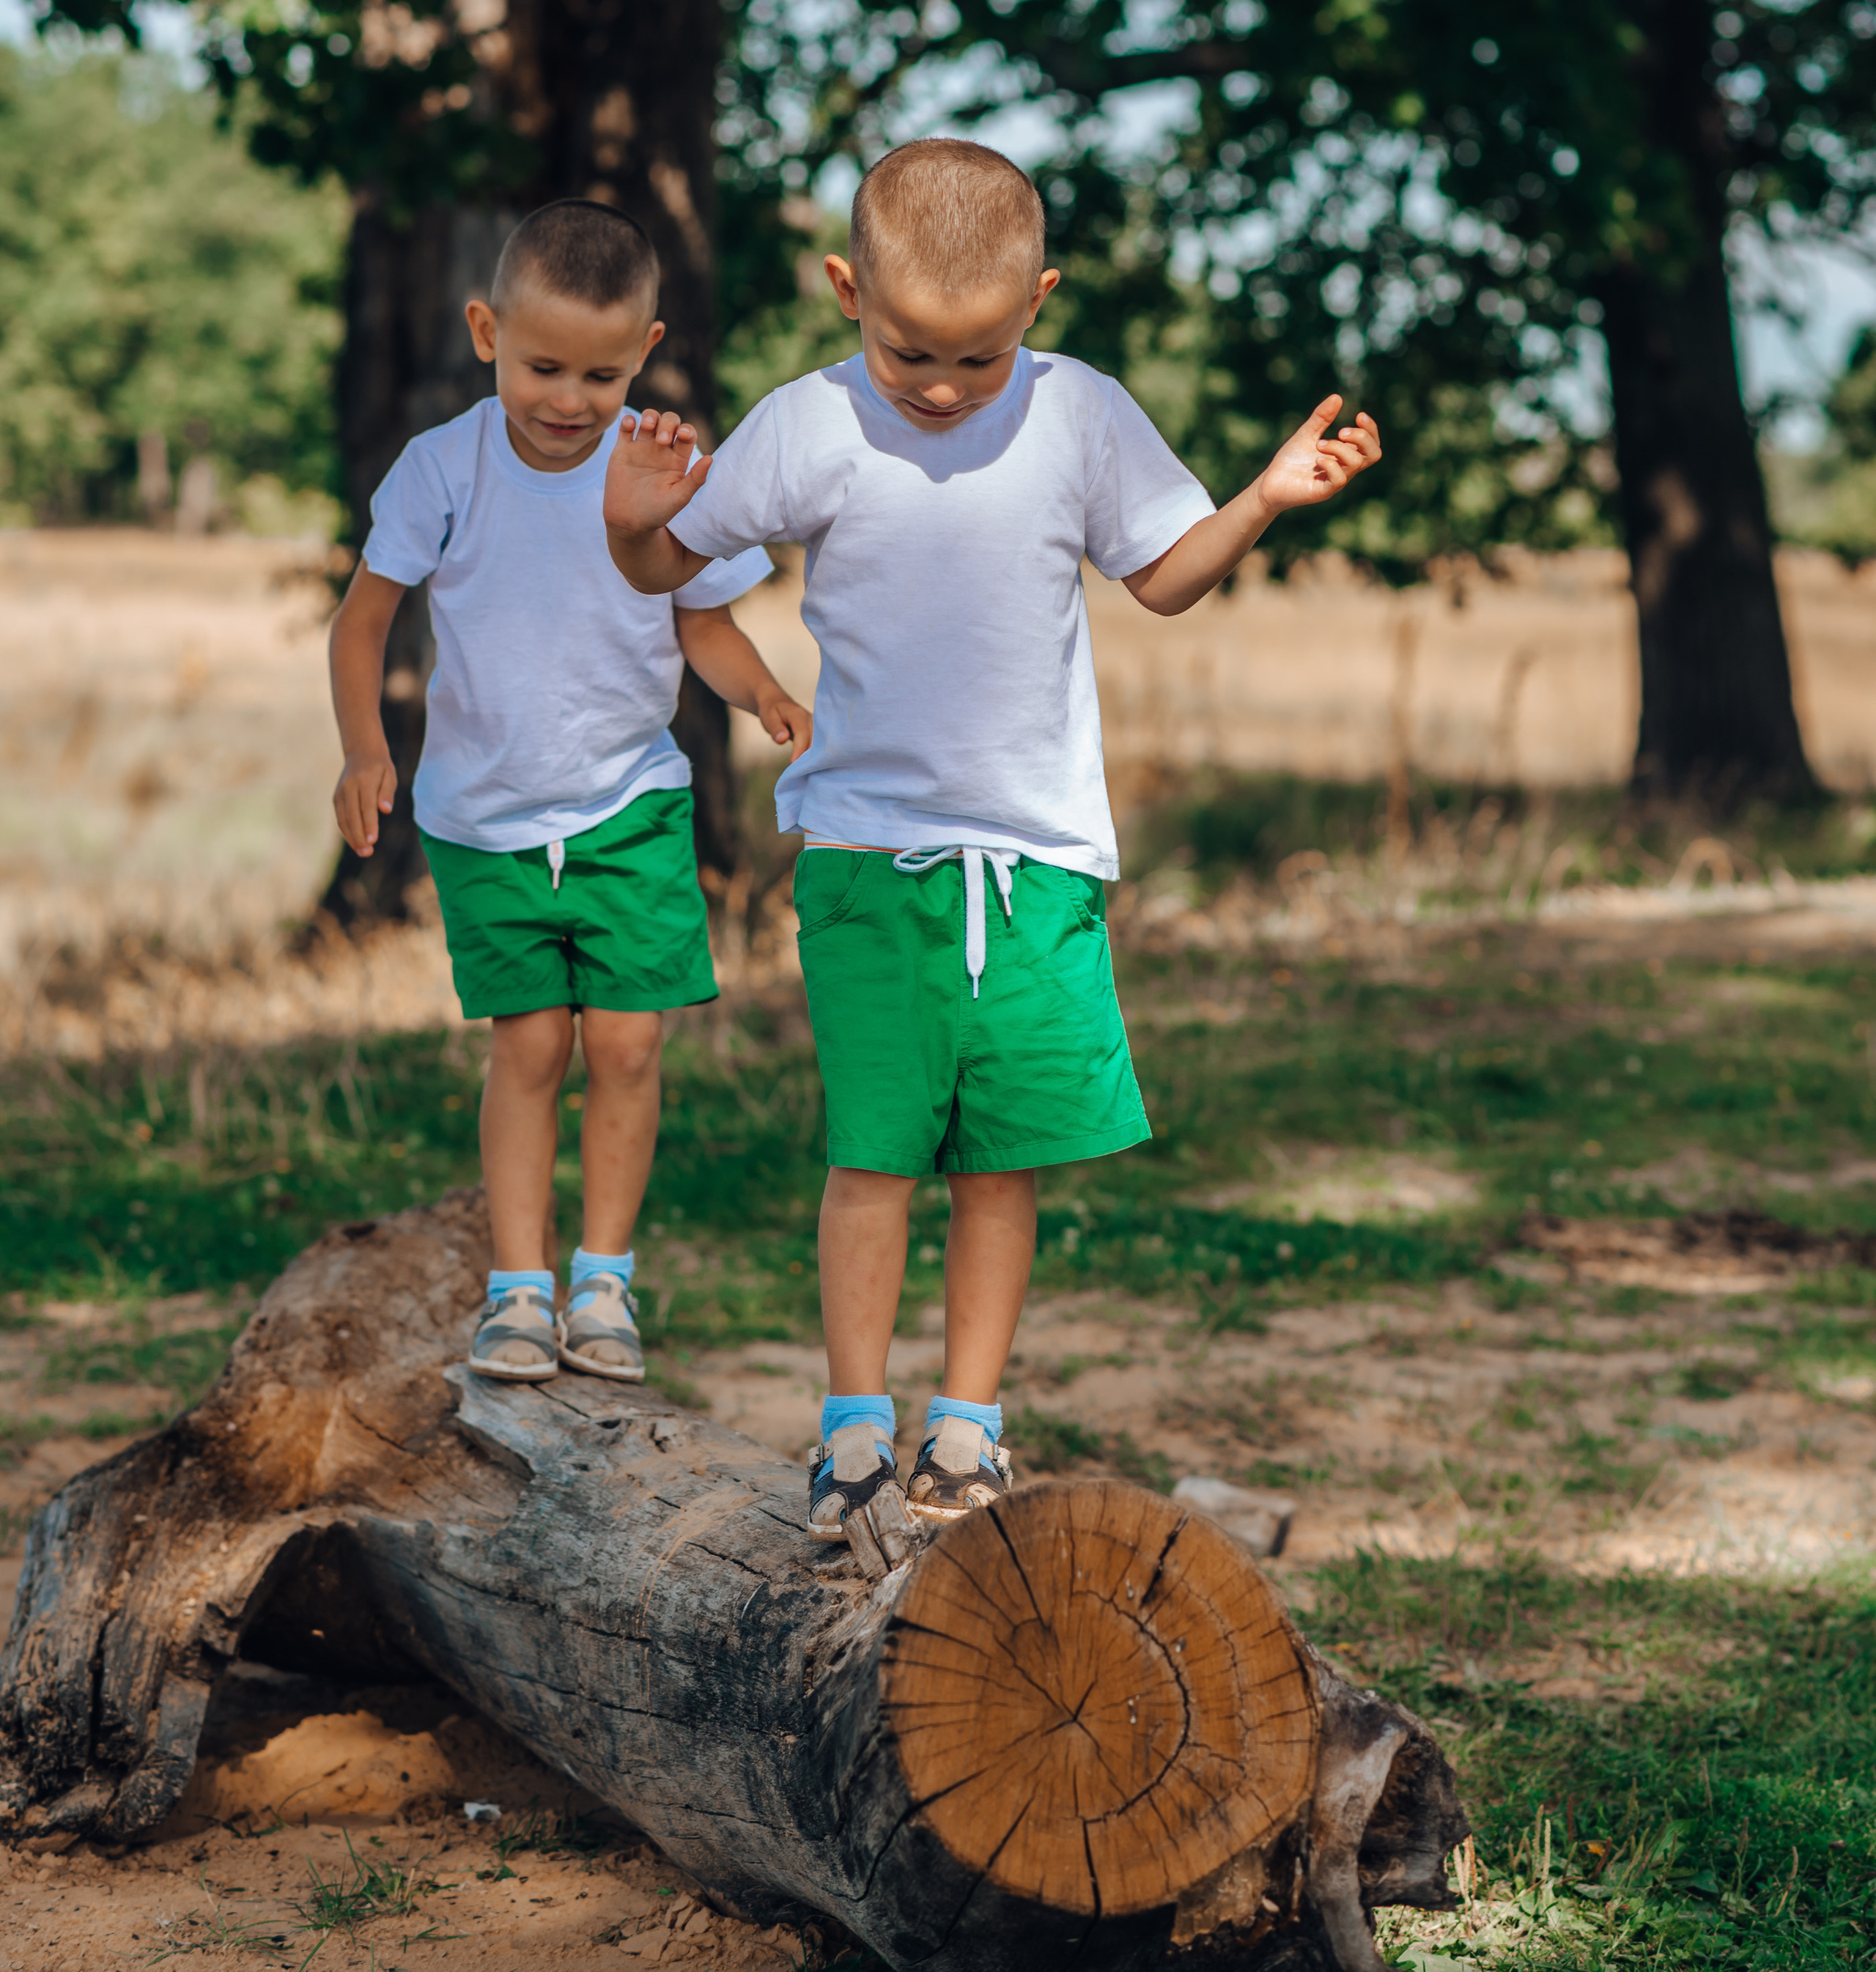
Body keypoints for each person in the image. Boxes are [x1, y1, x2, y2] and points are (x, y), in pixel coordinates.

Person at [601, 139, 1380, 1573]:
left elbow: (1158, 580)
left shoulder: (1078, 415)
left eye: (981, 352)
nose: (947, 386)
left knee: (1003, 1164)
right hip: (865, 858)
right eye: (910, 351)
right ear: (845, 292)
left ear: (1040, 298)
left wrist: (1261, 498)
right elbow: (666, 572)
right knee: (875, 1159)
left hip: (1036, 864)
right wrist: (627, 509)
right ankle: (849, 1435)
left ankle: (965, 1428)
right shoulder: (809, 424)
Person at [328, 199, 810, 1388]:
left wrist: (765, 696)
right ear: (488, 331)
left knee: (632, 1044)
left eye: (600, 370)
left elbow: (706, 624)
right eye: (542, 364)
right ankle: (518, 1291)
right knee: (533, 1043)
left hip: (629, 802)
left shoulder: (659, 470)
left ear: (643, 350)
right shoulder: (444, 467)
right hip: (484, 816)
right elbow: (362, 620)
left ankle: (604, 1280)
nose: (567, 396)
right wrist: (360, 744)